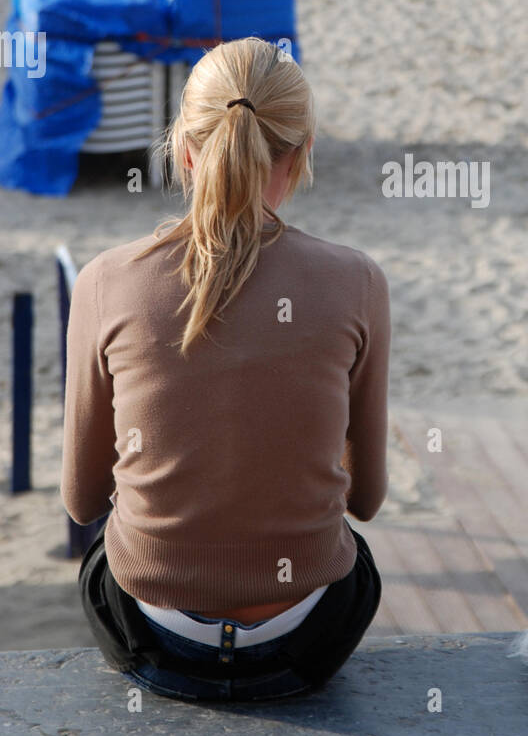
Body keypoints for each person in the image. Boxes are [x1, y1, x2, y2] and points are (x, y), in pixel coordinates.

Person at [61, 36, 390, 702]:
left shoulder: (107, 281)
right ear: (299, 156)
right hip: (304, 638)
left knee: (111, 550)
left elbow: (81, 499)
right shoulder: (357, 280)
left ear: (184, 148)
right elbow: (367, 500)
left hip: (154, 634)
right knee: (355, 557)